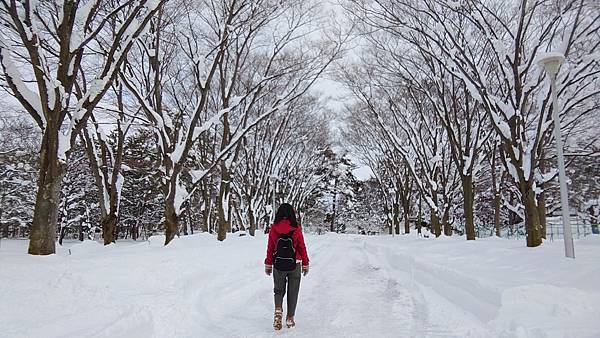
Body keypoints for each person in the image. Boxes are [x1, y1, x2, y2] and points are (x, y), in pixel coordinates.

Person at [264, 203, 309, 330]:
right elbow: (302, 247)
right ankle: (290, 318)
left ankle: (278, 310)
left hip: (278, 264)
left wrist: (268, 264)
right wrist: (305, 263)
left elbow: (270, 248)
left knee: (278, 290)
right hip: (295, 263)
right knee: (293, 291)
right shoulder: (296, 228)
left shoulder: (274, 228)